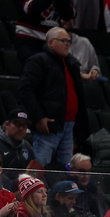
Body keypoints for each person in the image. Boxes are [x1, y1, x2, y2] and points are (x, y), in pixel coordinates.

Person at [19, 26, 87, 168]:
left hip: (69, 127)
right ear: (51, 42)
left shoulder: (71, 63)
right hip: (48, 127)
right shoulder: (38, 60)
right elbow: (25, 90)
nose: (68, 44)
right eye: (63, 40)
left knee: (64, 171)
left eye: (69, 41)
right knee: (38, 169)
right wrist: (39, 117)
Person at [15, 0, 74, 64]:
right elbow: (30, 8)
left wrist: (61, 0)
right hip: (29, 39)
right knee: (33, 71)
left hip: (53, 44)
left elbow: (68, 16)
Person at [0, 108, 35, 173]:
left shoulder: (27, 146)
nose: (21, 128)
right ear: (6, 124)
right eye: (17, 124)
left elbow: (35, 173)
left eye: (24, 125)